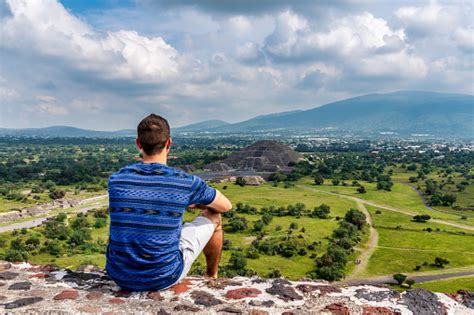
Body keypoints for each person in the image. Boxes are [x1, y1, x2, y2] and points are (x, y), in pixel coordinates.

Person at [106, 114, 232, 291]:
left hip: (119, 275)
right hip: (164, 276)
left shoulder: (116, 179)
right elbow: (226, 206)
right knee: (214, 215)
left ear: (138, 143)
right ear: (169, 143)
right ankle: (212, 276)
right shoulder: (184, 182)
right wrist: (201, 204)